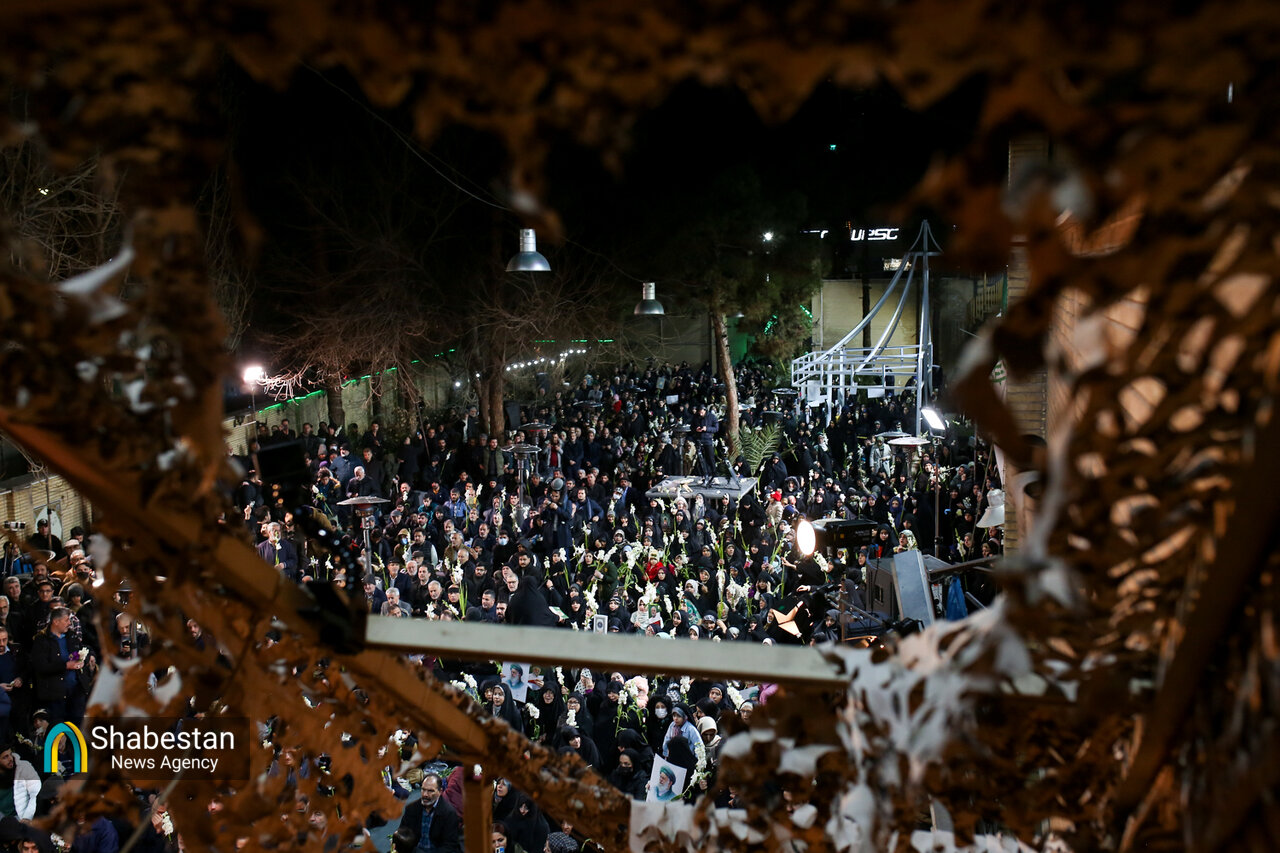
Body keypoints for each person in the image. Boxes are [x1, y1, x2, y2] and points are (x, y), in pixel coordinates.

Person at [398, 772, 462, 853]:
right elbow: (403, 836)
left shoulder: (449, 813)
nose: (425, 794)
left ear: (440, 792)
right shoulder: (411, 809)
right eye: (423, 789)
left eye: (430, 791)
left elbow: (449, 845)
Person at [0, 744, 40, 821]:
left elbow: (36, 793)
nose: (10, 759)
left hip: (25, 818)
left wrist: (27, 817)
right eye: (5, 757)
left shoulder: (24, 767)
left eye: (10, 754)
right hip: (4, 821)